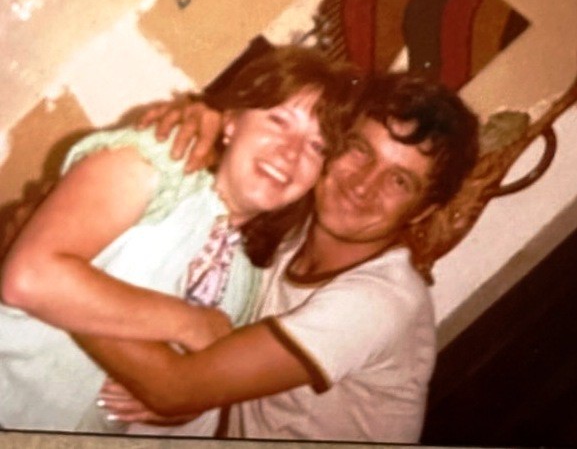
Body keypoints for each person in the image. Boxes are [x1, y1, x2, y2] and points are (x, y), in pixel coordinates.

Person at [72, 71, 480, 443]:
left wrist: (61, 275)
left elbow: (175, 388)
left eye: (399, 181)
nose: (363, 185)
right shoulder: (294, 220)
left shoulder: (381, 302)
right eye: (360, 150)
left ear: (422, 211)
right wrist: (204, 118)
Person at [0, 46, 359, 434]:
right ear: (231, 121)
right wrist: (189, 323)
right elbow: (30, 278)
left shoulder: (246, 279)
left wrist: (182, 405)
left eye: (317, 147)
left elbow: (188, 388)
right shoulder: (162, 161)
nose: (290, 152)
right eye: (278, 120)